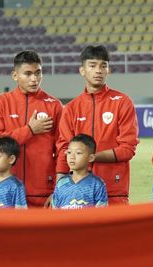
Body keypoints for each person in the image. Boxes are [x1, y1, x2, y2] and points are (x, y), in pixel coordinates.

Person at [58, 45, 139, 205]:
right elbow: (63, 149)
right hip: (78, 191)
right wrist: (59, 187)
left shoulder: (122, 102)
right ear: (82, 70)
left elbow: (128, 149)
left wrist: (92, 156)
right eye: (93, 65)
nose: (99, 70)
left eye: (103, 66)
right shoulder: (71, 108)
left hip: (114, 191)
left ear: (108, 70)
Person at [0, 50, 62, 207]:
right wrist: (30, 130)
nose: (34, 79)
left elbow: (62, 149)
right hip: (6, 189)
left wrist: (58, 189)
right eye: (28, 74)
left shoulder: (54, 105)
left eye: (38, 73)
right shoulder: (1, 102)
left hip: (44, 191)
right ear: (15, 75)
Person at [52, 134, 108, 209]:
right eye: (69, 152)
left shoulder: (97, 184)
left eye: (78, 153)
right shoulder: (61, 183)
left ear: (91, 158)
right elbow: (55, 211)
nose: (72, 157)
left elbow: (102, 215)